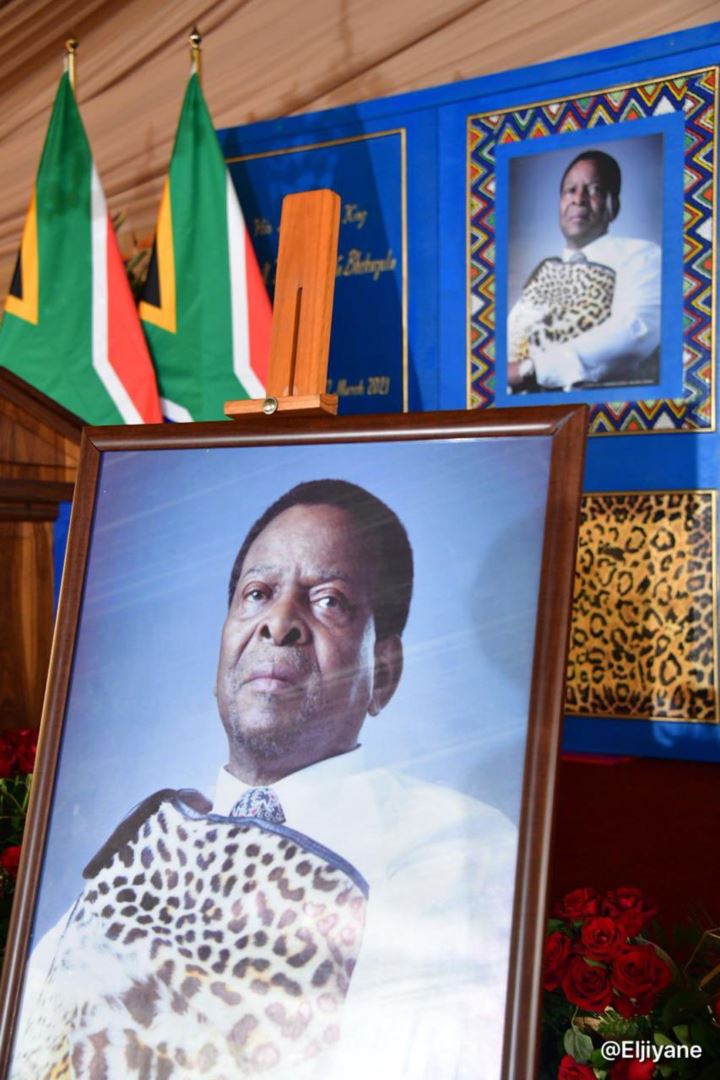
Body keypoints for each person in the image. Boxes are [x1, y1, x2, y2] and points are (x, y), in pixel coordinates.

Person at [13, 480, 517, 1080]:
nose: (278, 623)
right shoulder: (124, 863)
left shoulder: (453, 845)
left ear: (383, 673)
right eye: (257, 594)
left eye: (329, 601)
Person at [507, 148, 661, 393]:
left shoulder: (641, 255)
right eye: (570, 190)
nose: (578, 199)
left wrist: (533, 368)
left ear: (613, 206)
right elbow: (509, 343)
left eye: (594, 189)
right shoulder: (544, 271)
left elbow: (635, 331)